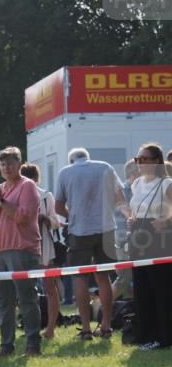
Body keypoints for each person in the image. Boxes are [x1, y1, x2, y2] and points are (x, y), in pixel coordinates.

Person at [54, 147, 125, 341]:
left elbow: (58, 207)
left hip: (80, 231)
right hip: (106, 228)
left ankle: (85, 328)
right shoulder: (105, 167)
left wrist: (73, 216)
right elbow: (120, 197)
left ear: (71, 160)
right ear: (88, 157)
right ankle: (106, 325)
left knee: (80, 279)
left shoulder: (65, 172)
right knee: (104, 277)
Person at [0, 147, 42, 357]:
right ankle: (6, 344)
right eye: (2, 164)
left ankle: (33, 343)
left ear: (19, 164)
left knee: (26, 297)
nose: (5, 167)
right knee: (4, 300)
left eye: (9, 163)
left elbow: (23, 217)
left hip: (21, 248)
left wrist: (1, 201)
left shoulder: (27, 186)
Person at [127, 143, 172, 350]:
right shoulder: (136, 184)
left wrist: (166, 220)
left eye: (144, 159)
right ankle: (145, 335)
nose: (140, 163)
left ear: (156, 161)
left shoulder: (166, 183)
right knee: (141, 287)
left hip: (159, 238)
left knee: (160, 288)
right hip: (139, 236)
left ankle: (163, 336)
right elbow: (135, 209)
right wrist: (131, 219)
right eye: (138, 159)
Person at [20, 164, 62, 339]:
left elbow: (56, 221)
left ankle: (51, 327)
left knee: (49, 286)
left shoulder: (45, 196)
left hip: (44, 246)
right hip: (23, 245)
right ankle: (30, 326)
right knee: (26, 289)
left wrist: (44, 219)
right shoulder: (17, 194)